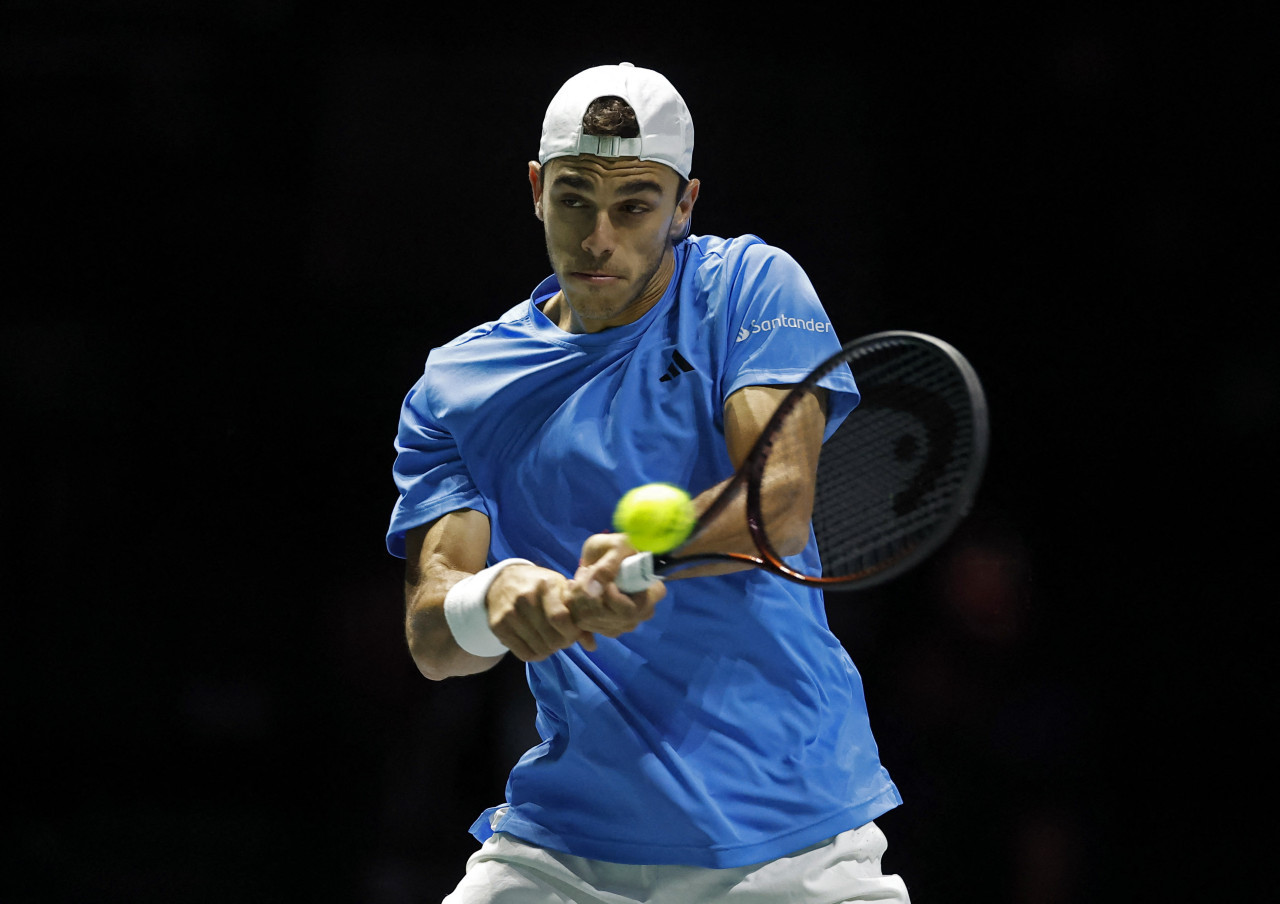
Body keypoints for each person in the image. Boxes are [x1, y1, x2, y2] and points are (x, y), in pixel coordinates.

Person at [387, 62, 911, 903]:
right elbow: (430, 636)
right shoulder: (458, 385)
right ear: (535, 188)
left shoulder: (746, 287)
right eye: (574, 198)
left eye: (633, 204)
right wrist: (493, 601)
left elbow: (774, 505)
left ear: (685, 205)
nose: (599, 238)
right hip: (563, 849)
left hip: (793, 844)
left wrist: (641, 556)